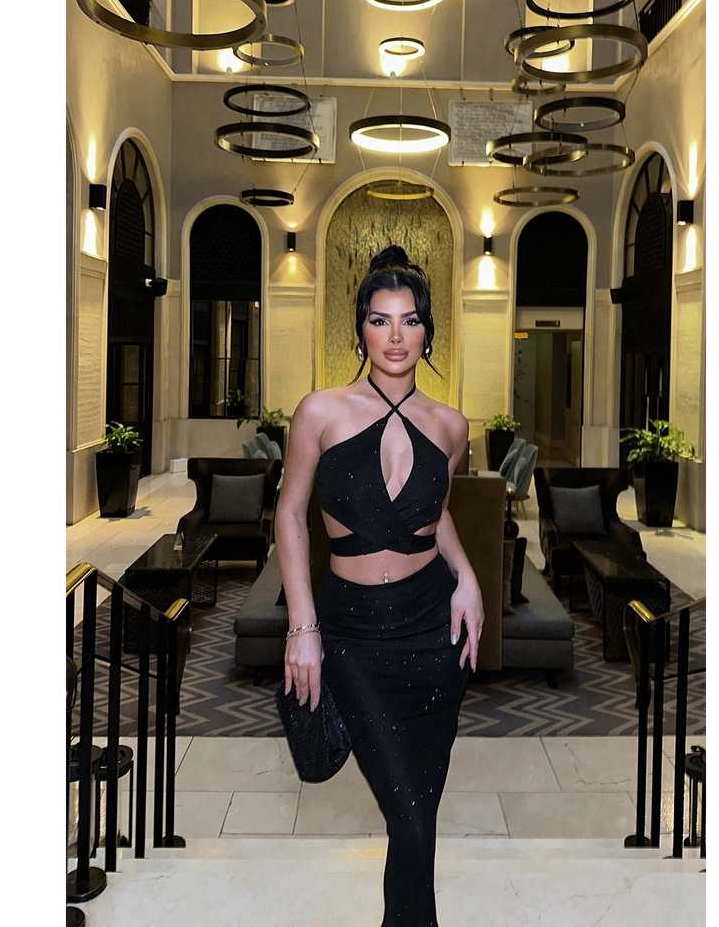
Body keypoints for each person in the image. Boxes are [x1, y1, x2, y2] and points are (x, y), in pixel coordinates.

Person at [274, 244, 484, 926]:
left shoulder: (451, 427)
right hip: (354, 635)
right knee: (411, 816)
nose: (396, 336)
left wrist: (467, 577)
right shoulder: (320, 412)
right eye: (380, 319)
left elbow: (435, 513)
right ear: (359, 330)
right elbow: (289, 515)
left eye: (410, 320)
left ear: (428, 333)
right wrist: (303, 627)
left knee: (416, 821)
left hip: (432, 631)